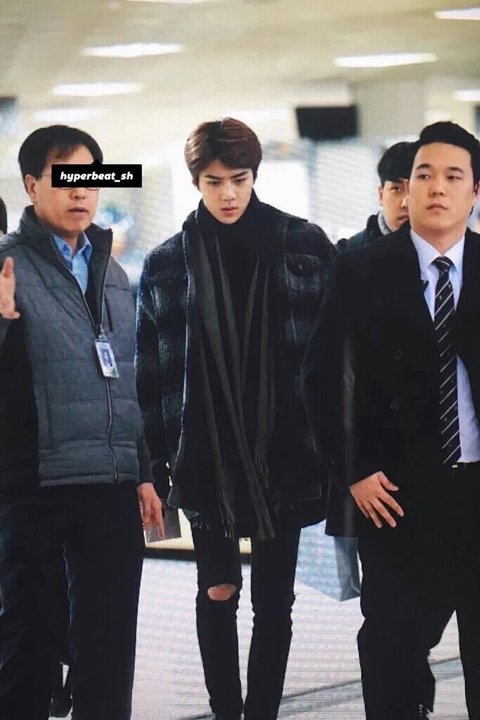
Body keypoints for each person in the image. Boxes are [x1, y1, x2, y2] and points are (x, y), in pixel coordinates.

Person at [136, 117, 334, 720]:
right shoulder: (167, 263)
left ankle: (262, 712)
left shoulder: (304, 244)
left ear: (255, 176)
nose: (228, 194)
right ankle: (227, 710)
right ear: (196, 181)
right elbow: (151, 375)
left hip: (287, 450)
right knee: (217, 589)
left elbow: (337, 357)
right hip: (206, 456)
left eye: (239, 179)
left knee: (274, 600)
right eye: (214, 181)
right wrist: (152, 465)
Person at [303, 120, 480, 720]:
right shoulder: (361, 269)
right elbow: (319, 378)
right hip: (396, 492)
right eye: (423, 175)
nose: (436, 187)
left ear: (474, 191)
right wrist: (352, 469)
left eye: (452, 176)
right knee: (391, 648)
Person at [0, 124, 162, 720]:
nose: (80, 191)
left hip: (111, 482)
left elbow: (127, 378)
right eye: (64, 177)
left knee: (109, 649)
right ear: (30, 185)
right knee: (28, 646)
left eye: (91, 178)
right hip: (34, 483)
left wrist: (143, 471)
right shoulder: (7, 265)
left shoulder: (113, 272)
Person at [336, 140, 413, 253]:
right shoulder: (349, 254)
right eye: (396, 189)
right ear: (381, 195)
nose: (405, 203)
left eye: (414, 191)